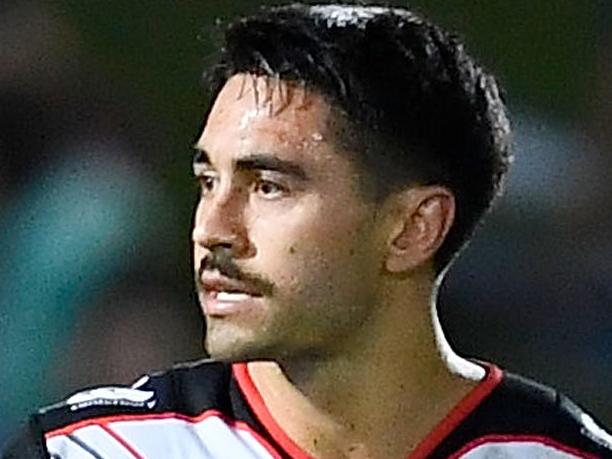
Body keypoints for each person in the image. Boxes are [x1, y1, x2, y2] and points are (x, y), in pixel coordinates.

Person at [4, 3, 612, 458]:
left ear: (412, 229)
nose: (213, 231)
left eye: (269, 187)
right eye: (207, 182)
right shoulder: (85, 452)